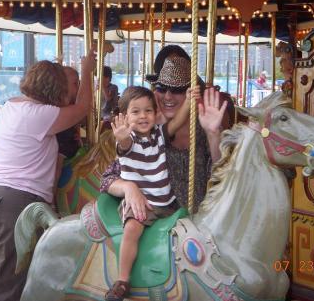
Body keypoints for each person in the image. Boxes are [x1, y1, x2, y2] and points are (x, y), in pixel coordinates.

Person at [0, 50, 96, 301]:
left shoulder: (10, 106)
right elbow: (83, 108)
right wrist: (87, 70)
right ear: (55, 89)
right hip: (13, 207)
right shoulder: (40, 114)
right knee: (10, 286)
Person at [100, 45, 228, 215]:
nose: (168, 96)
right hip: (161, 221)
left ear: (189, 93)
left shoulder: (202, 127)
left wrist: (213, 135)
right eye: (161, 88)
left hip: (202, 220)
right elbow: (108, 178)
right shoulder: (145, 132)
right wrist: (128, 187)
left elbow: (223, 176)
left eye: (177, 90)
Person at [105, 79, 199, 301]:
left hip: (167, 202)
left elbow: (176, 122)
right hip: (143, 204)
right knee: (132, 229)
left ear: (156, 114)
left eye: (148, 110)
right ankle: (123, 280)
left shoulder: (159, 134)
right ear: (125, 117)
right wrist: (122, 136)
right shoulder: (130, 140)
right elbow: (124, 145)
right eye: (135, 112)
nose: (143, 116)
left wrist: (189, 100)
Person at [55, 66, 83, 189]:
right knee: (57, 162)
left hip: (69, 142)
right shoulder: (56, 104)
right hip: (60, 145)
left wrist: (77, 133)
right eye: (75, 84)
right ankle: (51, 196)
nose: (78, 87)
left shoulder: (71, 103)